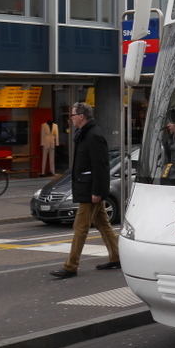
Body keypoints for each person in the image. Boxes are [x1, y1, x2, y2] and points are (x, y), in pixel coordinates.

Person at [50, 102, 120, 278]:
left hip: (90, 190)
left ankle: (70, 266)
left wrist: (97, 191)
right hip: (88, 187)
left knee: (80, 227)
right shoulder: (85, 134)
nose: (71, 118)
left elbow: (101, 166)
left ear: (81, 116)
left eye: (73, 115)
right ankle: (117, 257)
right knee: (103, 224)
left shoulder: (93, 135)